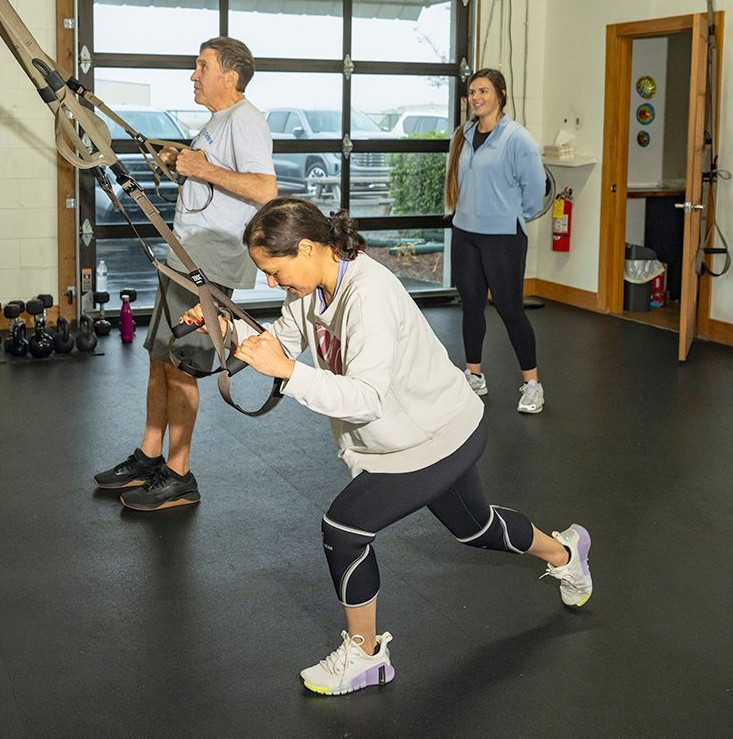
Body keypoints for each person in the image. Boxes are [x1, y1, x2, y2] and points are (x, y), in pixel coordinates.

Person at [184, 197, 592, 696]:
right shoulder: (309, 292)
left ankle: (368, 655)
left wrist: (288, 373)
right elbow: (281, 343)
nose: (272, 282)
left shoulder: (368, 296)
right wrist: (226, 331)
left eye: (275, 271)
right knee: (475, 528)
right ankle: (567, 553)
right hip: (421, 431)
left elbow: (366, 398)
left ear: (309, 248)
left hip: (437, 434)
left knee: (345, 529)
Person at [92, 37, 278, 511]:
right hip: (187, 254)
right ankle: (149, 458)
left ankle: (179, 475)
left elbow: (264, 190)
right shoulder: (218, 124)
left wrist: (203, 167)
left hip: (211, 261)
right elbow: (214, 182)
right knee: (161, 359)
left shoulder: (246, 120)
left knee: (182, 365)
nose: (193, 75)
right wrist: (185, 165)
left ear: (230, 76)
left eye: (202, 66)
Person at [444, 68, 548, 414]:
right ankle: (474, 375)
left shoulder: (518, 139)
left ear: (500, 94)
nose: (476, 98)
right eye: (472, 92)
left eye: (483, 91)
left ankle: (532, 384)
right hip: (465, 233)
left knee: (509, 308)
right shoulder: (464, 133)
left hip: (503, 237)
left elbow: (535, 190)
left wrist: (511, 214)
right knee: (471, 305)